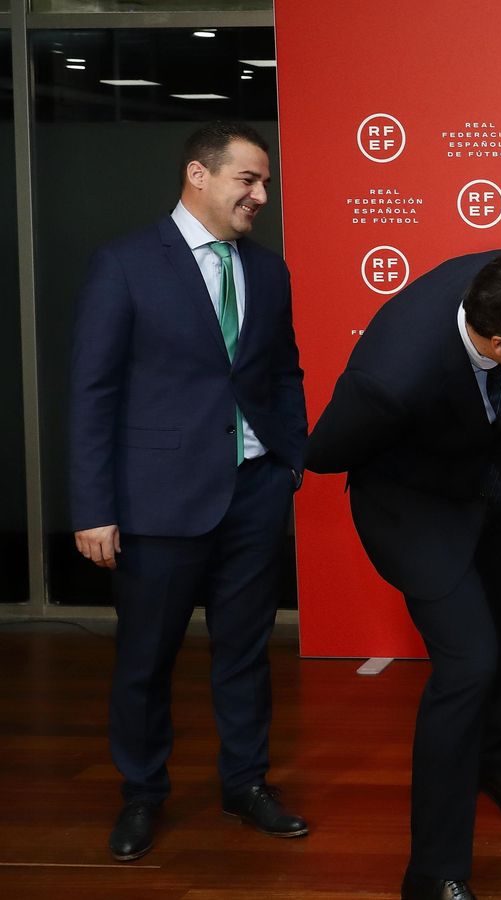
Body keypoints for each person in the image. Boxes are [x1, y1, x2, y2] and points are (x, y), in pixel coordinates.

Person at [305, 244, 501, 900]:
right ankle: (433, 873)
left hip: (492, 478)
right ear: (499, 345)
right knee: (467, 665)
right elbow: (327, 453)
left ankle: (496, 767)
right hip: (415, 509)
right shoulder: (392, 376)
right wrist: (421, 449)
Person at [68, 121, 309, 861]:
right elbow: (92, 393)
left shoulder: (267, 272)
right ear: (199, 176)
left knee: (244, 653)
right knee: (147, 658)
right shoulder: (126, 264)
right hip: (158, 503)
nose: (261, 195)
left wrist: (289, 460)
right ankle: (142, 794)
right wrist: (93, 508)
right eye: (248, 180)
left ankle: (245, 784)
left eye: (264, 182)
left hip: (255, 494)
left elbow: (284, 372)